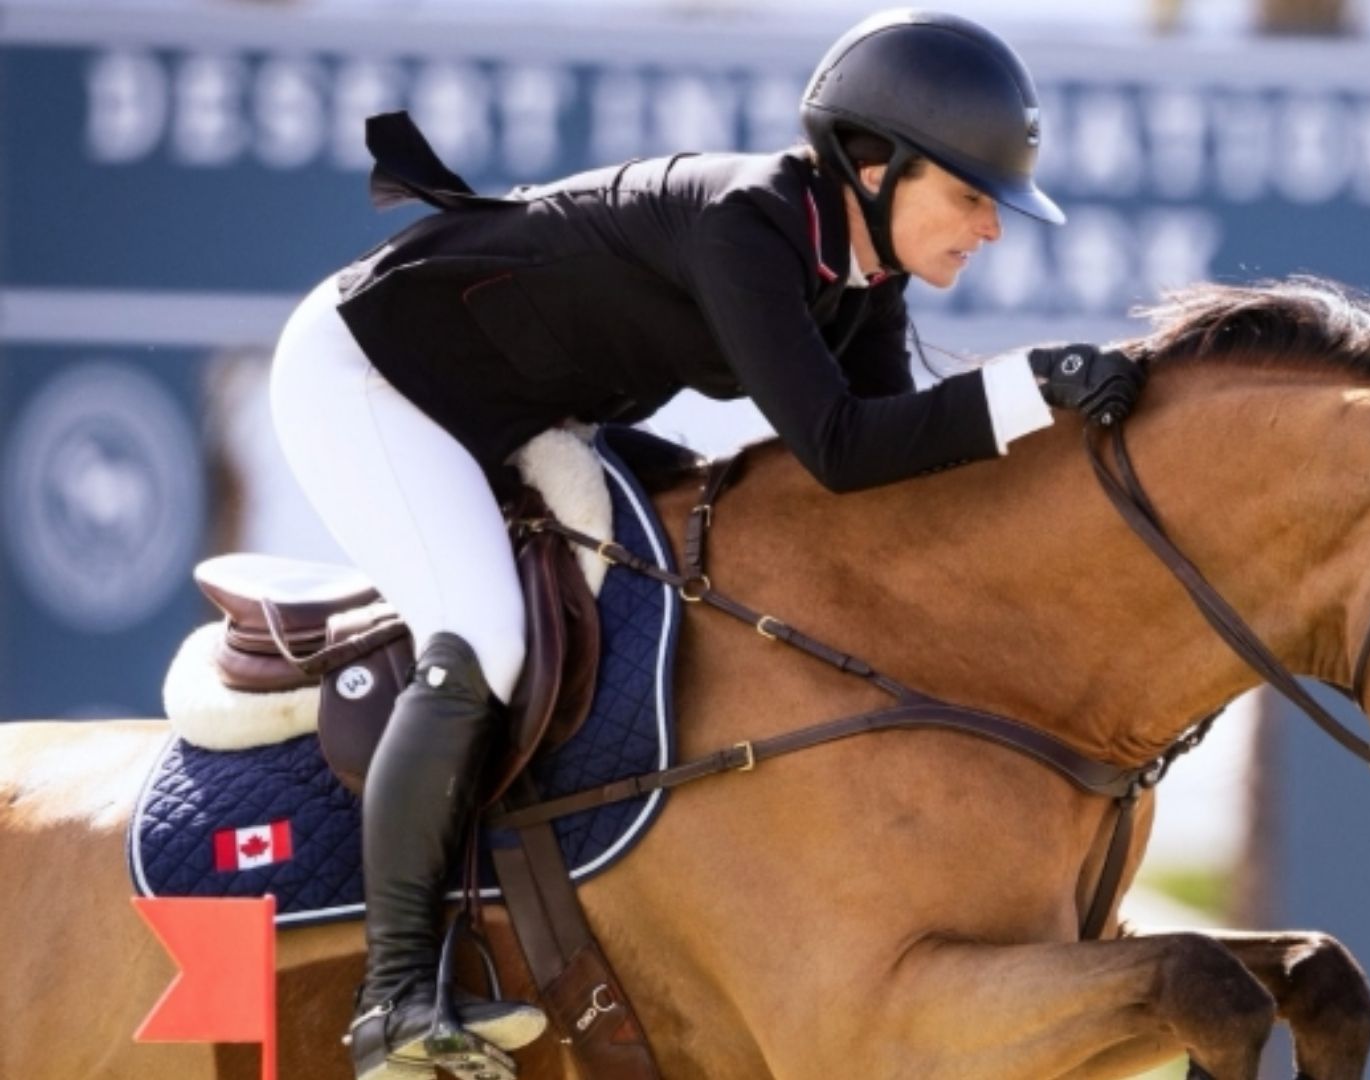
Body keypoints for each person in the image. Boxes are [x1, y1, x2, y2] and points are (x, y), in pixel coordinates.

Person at [267, 9, 1143, 1079]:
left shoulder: (862, 273)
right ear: (875, 166)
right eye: (969, 196)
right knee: (485, 636)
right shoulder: (747, 224)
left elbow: (889, 489)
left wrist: (1066, 462)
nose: (991, 229)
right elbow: (837, 448)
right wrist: (1027, 383)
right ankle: (394, 997)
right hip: (373, 379)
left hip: (519, 409)